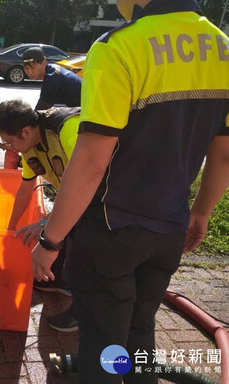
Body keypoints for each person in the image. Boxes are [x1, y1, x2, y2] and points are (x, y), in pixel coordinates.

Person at [31, 0, 229, 383]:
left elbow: (91, 162)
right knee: (140, 334)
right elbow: (222, 156)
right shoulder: (222, 47)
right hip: (169, 229)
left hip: (111, 231)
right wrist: (200, 213)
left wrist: (50, 241)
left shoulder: (118, 47)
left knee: (104, 346)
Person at [0, 99, 80, 332]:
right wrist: (10, 230)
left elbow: (86, 184)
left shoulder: (67, 129)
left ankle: (84, 313)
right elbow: (25, 189)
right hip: (78, 199)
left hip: (107, 196)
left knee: (89, 256)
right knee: (70, 249)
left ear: (25, 131)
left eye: (9, 142)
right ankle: (69, 288)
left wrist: (45, 224)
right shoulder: (31, 146)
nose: (9, 149)